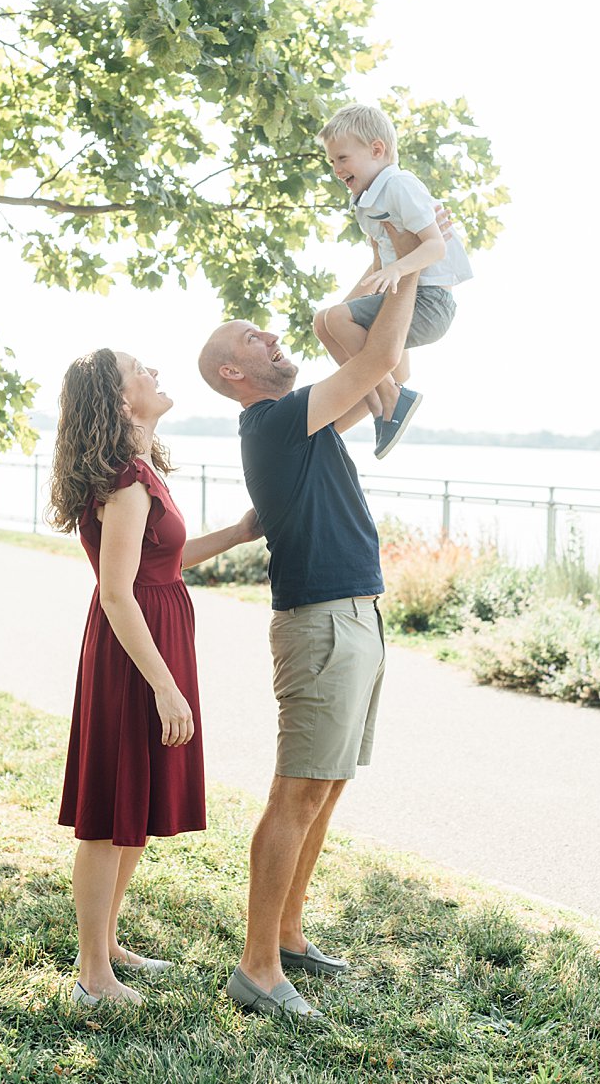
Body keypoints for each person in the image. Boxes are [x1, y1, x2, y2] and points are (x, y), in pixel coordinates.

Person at [197, 222, 426, 1018]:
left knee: (325, 788)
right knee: (296, 792)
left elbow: (370, 380)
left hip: (355, 612)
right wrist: (411, 269)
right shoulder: (271, 421)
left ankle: (289, 934)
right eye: (249, 337)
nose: (268, 333)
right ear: (235, 373)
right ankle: (258, 967)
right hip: (323, 622)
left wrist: (383, 267)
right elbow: (370, 362)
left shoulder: (305, 419)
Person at [50, 349, 261, 1007]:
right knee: (111, 814)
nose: (157, 373)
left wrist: (239, 531)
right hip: (133, 652)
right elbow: (117, 593)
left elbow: (164, 562)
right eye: (141, 369)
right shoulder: (125, 481)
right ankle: (92, 975)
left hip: (158, 637)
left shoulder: (142, 474)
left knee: (133, 806)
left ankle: (107, 942)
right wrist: (165, 684)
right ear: (119, 402)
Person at [312, 102, 473, 458]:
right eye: (332, 162)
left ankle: (389, 400)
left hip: (429, 304)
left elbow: (434, 247)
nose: (337, 169)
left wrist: (398, 268)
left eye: (342, 158)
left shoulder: (399, 185)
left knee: (337, 319)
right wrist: (339, 308)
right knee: (325, 320)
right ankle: (383, 402)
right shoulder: (368, 200)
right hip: (404, 301)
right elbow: (376, 265)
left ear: (377, 150)